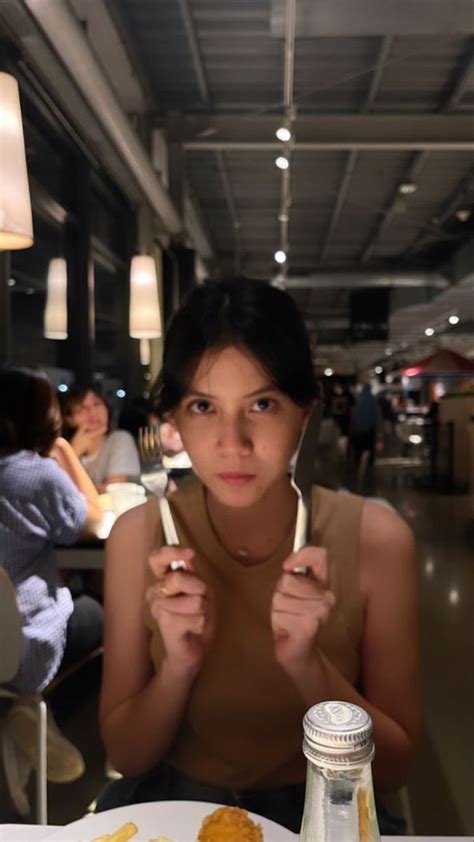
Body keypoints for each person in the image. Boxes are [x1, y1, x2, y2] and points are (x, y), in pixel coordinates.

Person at [98, 278, 420, 834]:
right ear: (173, 418)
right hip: (174, 806)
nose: (233, 442)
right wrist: (177, 668)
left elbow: (392, 771)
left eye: (262, 404)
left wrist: (308, 666)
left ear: (304, 411)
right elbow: (128, 756)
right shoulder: (139, 537)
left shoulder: (376, 540)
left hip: (323, 811)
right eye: (203, 406)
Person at [0, 366, 104, 806]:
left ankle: (20, 713)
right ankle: (39, 713)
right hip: (16, 642)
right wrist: (63, 449)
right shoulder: (34, 473)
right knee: (100, 619)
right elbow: (94, 520)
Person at [61, 386, 140, 492]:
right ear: (69, 419)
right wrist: (73, 453)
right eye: (82, 408)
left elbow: (113, 491)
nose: (93, 412)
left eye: (97, 404)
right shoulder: (63, 451)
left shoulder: (119, 440)